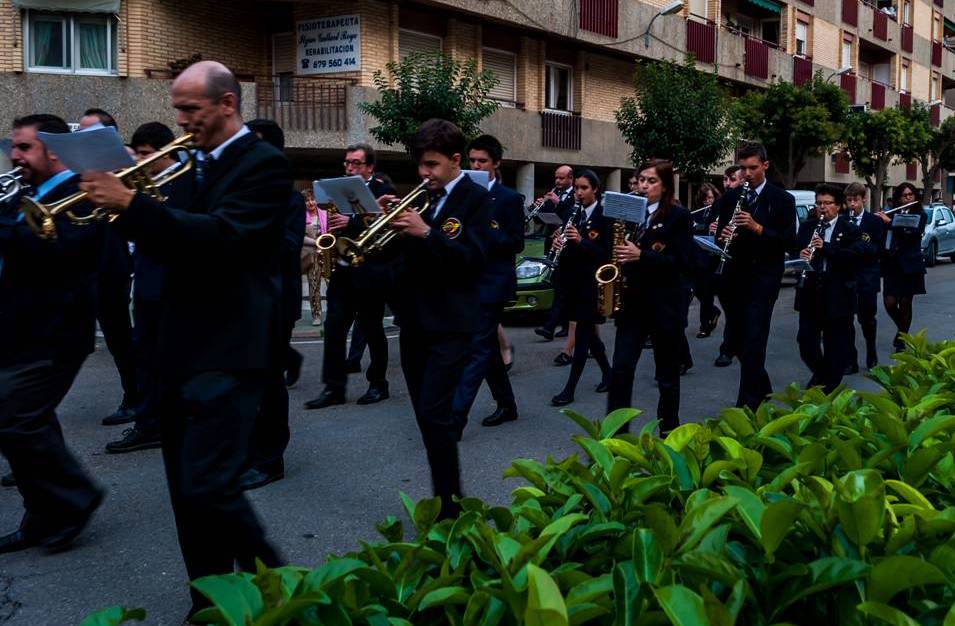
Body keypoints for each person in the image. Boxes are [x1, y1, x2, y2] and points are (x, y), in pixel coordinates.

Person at [79, 61, 286, 619]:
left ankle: (279, 585)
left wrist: (133, 203)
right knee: (186, 493)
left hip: (229, 348)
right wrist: (120, 209)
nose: (182, 119)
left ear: (227, 104)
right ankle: (208, 602)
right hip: (180, 348)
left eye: (191, 109)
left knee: (209, 484)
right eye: (178, 109)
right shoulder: (195, 165)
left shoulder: (263, 163)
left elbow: (224, 238)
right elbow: (172, 244)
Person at [0, 114, 105, 554]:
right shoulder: (25, 195)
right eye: (14, 147)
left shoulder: (82, 194)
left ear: (54, 151)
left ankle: (75, 498)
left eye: (24, 147)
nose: (15, 156)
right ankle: (41, 514)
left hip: (54, 331)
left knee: (17, 420)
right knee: (25, 421)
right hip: (18, 328)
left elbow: (63, 252)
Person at [381, 118, 491, 518]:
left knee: (435, 414)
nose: (423, 172)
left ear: (455, 160)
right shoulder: (422, 200)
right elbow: (400, 260)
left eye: (431, 164)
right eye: (420, 164)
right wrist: (390, 226)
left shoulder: (475, 199)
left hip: (451, 323)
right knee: (427, 419)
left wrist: (426, 233)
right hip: (414, 321)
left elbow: (473, 259)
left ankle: (450, 508)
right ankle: (447, 500)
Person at [105, 121, 191, 454]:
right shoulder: (139, 184)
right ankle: (148, 422)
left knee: (170, 359)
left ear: (164, 151)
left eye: (144, 154)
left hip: (172, 282)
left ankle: (169, 422)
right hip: (144, 279)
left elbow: (176, 229)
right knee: (145, 357)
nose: (139, 161)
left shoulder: (184, 180)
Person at [238, 118, 304, 491]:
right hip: (241, 301)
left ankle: (269, 459)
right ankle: (247, 449)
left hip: (275, 303)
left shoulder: (288, 198)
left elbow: (289, 247)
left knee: (268, 385)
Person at [304, 143, 395, 410]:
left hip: (370, 272)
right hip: (343, 271)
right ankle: (334, 388)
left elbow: (387, 228)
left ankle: (378, 384)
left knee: (372, 329)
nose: (350, 167)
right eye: (347, 162)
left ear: (369, 167)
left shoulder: (382, 190)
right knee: (333, 329)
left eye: (356, 163)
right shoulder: (338, 190)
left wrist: (351, 222)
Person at [607, 159, 693, 436]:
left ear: (665, 186)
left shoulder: (678, 216)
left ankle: (669, 433)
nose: (644, 186)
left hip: (665, 306)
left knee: (667, 376)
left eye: (651, 181)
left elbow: (683, 263)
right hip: (632, 305)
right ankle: (616, 436)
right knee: (620, 370)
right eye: (641, 180)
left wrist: (642, 256)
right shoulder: (630, 214)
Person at [714, 142, 796, 410]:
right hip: (734, 278)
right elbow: (720, 236)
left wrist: (757, 227)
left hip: (763, 279)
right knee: (738, 342)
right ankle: (765, 391)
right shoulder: (730, 198)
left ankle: (747, 406)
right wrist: (723, 235)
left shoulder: (782, 199)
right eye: (743, 168)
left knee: (754, 342)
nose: (747, 174)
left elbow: (788, 241)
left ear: (765, 166)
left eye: (753, 168)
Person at [451, 134, 523, 428]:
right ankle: (507, 405)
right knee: (488, 348)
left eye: (482, 161)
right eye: (472, 160)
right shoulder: (464, 195)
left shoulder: (509, 199)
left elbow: (516, 243)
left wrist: (488, 229)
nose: (476, 166)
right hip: (468, 281)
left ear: (496, 164)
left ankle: (455, 418)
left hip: (493, 283)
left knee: (477, 349)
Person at [79, 108, 140, 426]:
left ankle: (135, 396)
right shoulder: (82, 172)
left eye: (87, 134)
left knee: (119, 337)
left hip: (114, 265)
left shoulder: (126, 168)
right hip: (85, 263)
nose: (80, 141)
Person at [550, 169, 613, 406]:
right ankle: (608, 374)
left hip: (593, 284)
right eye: (576, 188)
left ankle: (570, 389)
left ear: (595, 189)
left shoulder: (604, 216)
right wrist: (559, 243)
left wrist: (581, 241)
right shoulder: (571, 213)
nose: (579, 192)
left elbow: (606, 254)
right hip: (573, 282)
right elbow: (569, 247)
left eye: (584, 188)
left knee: (583, 335)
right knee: (589, 335)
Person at [794, 184, 863, 393]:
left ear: (839, 206)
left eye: (827, 203)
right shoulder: (807, 227)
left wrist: (826, 247)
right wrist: (801, 256)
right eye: (819, 203)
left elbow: (854, 258)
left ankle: (828, 388)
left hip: (838, 295)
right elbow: (795, 251)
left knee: (835, 346)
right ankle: (821, 375)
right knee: (805, 341)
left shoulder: (850, 229)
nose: (822, 208)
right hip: (810, 293)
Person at [877, 182, 927, 352]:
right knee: (890, 303)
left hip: (911, 264)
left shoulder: (920, 214)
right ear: (898, 198)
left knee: (905, 302)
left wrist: (890, 222)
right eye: (904, 195)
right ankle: (903, 331)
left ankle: (901, 339)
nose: (908, 198)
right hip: (892, 264)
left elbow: (912, 232)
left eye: (910, 195)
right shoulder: (892, 213)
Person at [844, 182, 885, 371]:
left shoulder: (874, 222)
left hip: (867, 276)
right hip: (847, 276)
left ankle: (871, 351)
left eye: (856, 200)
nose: (852, 204)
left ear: (863, 199)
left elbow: (878, 249)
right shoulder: (843, 220)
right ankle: (850, 359)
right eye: (849, 200)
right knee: (846, 319)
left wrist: (858, 241)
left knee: (866, 318)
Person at [534, 164, 576, 342]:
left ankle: (551, 326)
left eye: (561, 178)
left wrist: (558, 203)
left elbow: (572, 215)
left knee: (563, 285)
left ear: (570, 178)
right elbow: (541, 219)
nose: (557, 181)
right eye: (556, 178)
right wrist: (538, 207)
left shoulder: (576, 194)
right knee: (558, 285)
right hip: (552, 243)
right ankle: (565, 324)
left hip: (568, 245)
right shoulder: (553, 194)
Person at [714, 165, 744, 367]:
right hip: (722, 262)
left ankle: (728, 348)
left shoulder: (746, 201)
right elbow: (717, 231)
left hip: (742, 265)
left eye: (732, 179)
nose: (727, 184)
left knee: (736, 311)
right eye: (725, 179)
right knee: (730, 309)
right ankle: (733, 344)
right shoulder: (723, 201)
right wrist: (718, 232)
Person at [691, 182, 722, 339]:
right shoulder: (697, 213)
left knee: (707, 292)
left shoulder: (718, 213)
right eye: (705, 199)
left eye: (711, 198)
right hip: (697, 258)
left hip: (711, 258)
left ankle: (705, 326)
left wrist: (713, 228)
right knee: (697, 289)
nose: (708, 201)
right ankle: (713, 311)